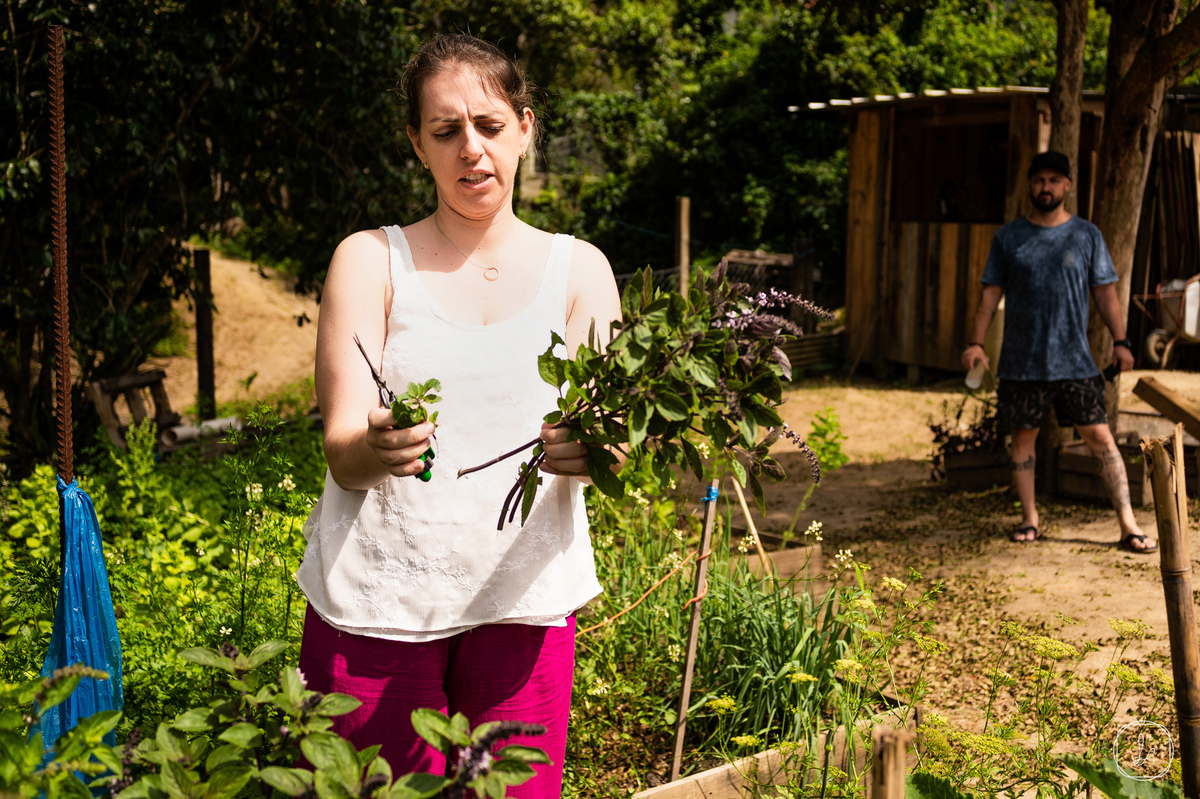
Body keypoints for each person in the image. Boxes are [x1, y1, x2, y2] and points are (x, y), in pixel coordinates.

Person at [294, 34, 622, 797]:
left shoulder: (581, 272)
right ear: (417, 143)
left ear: (526, 128)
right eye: (445, 131)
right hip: (378, 605)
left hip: (523, 606)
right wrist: (378, 446)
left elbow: (615, 443)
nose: (471, 149)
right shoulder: (369, 261)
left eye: (490, 125)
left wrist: (595, 451)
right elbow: (343, 450)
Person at [962, 150, 1157, 554]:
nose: (1045, 187)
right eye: (1039, 180)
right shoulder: (1009, 238)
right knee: (1023, 441)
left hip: (1075, 362)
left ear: (1067, 185)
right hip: (1021, 363)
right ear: (1029, 185)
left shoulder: (1086, 235)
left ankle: (1128, 525)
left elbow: (1106, 293)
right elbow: (988, 297)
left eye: (1054, 180)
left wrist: (1121, 342)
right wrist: (976, 344)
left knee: (1101, 438)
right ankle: (1030, 520)